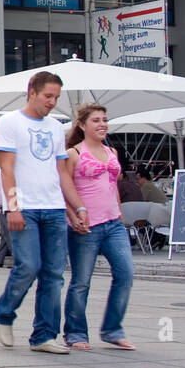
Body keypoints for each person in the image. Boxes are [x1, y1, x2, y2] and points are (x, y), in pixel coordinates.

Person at [0, 71, 90, 355]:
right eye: (48, 96)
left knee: (53, 274)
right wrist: (13, 206)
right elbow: (6, 168)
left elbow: (62, 172)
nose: (52, 102)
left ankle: (44, 334)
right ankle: (4, 311)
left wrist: (77, 207)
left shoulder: (56, 127)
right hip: (26, 207)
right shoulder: (9, 122)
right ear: (31, 92)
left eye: (56, 97)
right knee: (29, 266)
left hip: (54, 207)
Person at [61, 103, 135, 351]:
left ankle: (112, 329)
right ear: (82, 125)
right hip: (86, 226)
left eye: (104, 119)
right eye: (96, 120)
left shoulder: (112, 151)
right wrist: (73, 216)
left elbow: (112, 185)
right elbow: (63, 188)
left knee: (125, 274)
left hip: (114, 223)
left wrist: (120, 213)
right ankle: (75, 332)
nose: (102, 124)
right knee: (81, 281)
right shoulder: (74, 153)